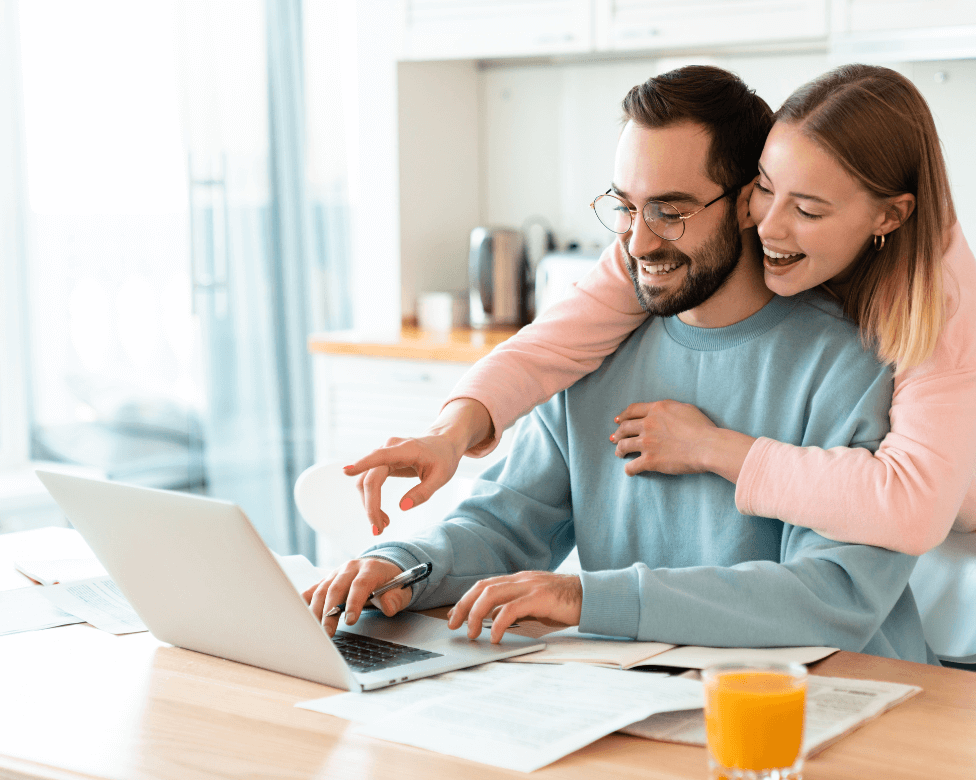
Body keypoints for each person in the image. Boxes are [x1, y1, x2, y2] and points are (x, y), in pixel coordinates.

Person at [305, 66, 930, 664]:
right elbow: (507, 523)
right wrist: (403, 565)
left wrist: (586, 597)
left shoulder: (853, 362)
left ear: (749, 204)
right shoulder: (598, 344)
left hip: (832, 704)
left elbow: (830, 595)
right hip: (648, 692)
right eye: (626, 207)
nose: (637, 242)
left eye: (670, 210)